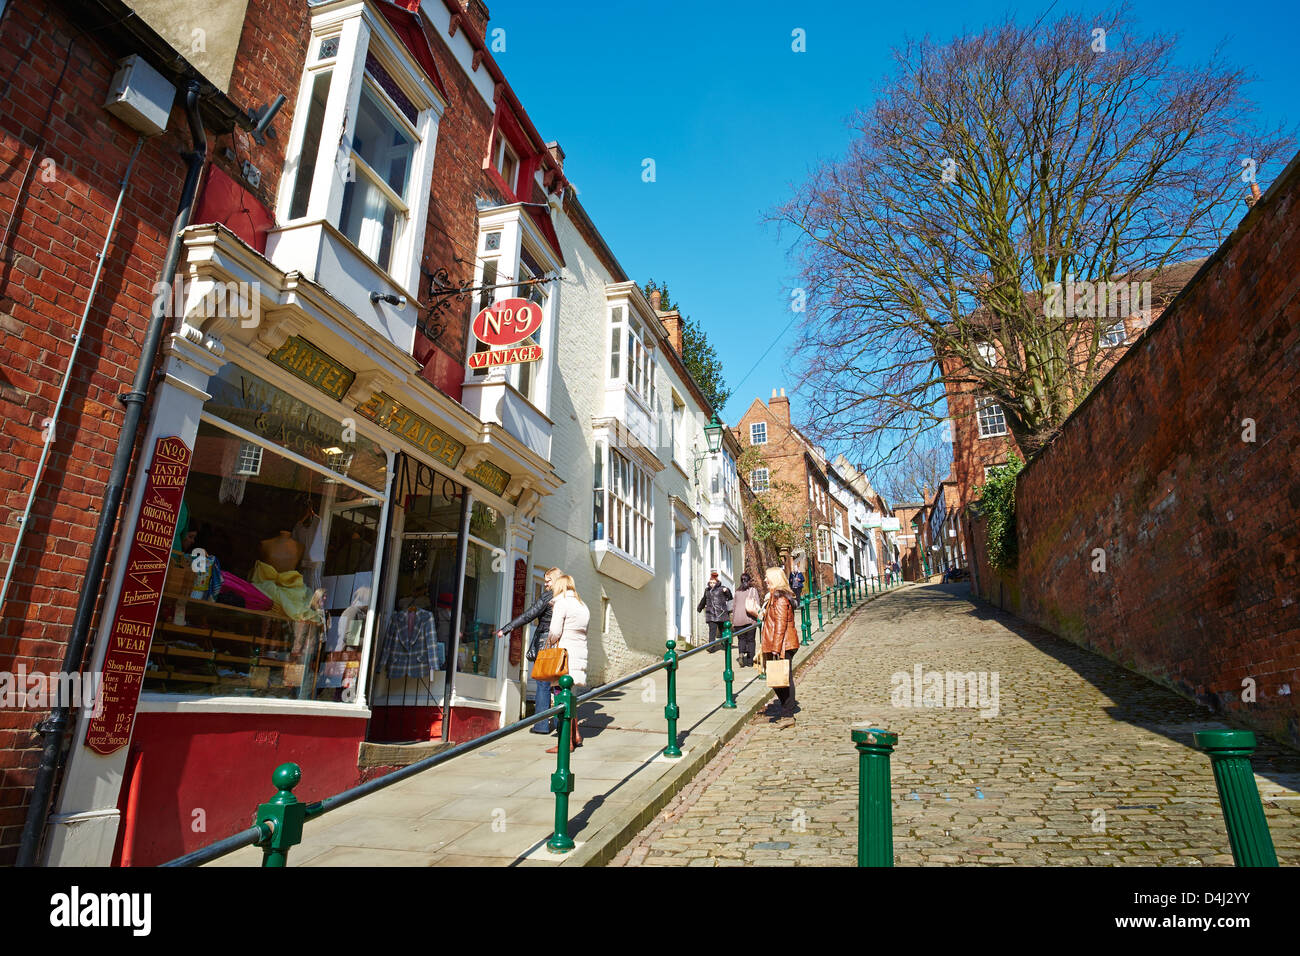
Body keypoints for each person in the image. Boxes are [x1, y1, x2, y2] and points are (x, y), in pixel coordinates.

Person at [498, 566, 561, 734]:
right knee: (559, 684)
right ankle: (561, 725)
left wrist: (507, 628)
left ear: (554, 580)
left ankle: (541, 725)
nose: (546, 584)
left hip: (546, 643)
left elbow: (529, 615)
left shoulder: (548, 596)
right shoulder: (567, 596)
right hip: (561, 643)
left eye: (548, 581)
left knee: (543, 683)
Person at [545, 574, 590, 753]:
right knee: (570, 697)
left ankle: (566, 743)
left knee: (560, 699)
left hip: (563, 657)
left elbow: (555, 631)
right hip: (579, 655)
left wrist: (548, 641)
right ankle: (576, 735)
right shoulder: (582, 605)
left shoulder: (562, 603)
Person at [760, 567, 802, 728]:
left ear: (775, 579)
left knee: (784, 679)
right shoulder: (773, 597)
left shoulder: (781, 599)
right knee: (777, 679)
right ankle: (786, 710)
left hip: (784, 644)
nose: (765, 580)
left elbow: (780, 625)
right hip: (777, 643)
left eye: (767, 577)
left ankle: (788, 715)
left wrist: (776, 649)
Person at [696, 569, 733, 653]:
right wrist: (700, 607)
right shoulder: (707, 590)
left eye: (713, 582)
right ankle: (711, 647)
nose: (712, 584)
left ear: (717, 582)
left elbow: (730, 597)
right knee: (712, 632)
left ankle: (726, 644)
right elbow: (704, 599)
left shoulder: (722, 588)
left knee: (723, 631)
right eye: (711, 582)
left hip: (721, 613)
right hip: (711, 614)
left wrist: (727, 591)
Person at [731, 570, 761, 667]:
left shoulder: (737, 592)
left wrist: (733, 621)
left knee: (741, 639)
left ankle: (741, 653)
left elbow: (734, 607)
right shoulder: (753, 590)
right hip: (749, 618)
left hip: (737, 620)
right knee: (751, 640)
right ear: (749, 581)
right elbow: (757, 604)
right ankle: (750, 661)